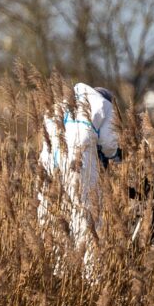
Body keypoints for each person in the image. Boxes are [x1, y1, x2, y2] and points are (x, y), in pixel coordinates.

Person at [38, 83, 120, 278]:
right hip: (78, 158)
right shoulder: (105, 105)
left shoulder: (58, 105)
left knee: (55, 219)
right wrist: (115, 156)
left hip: (48, 162)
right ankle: (92, 278)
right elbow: (109, 144)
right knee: (87, 217)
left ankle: (59, 275)